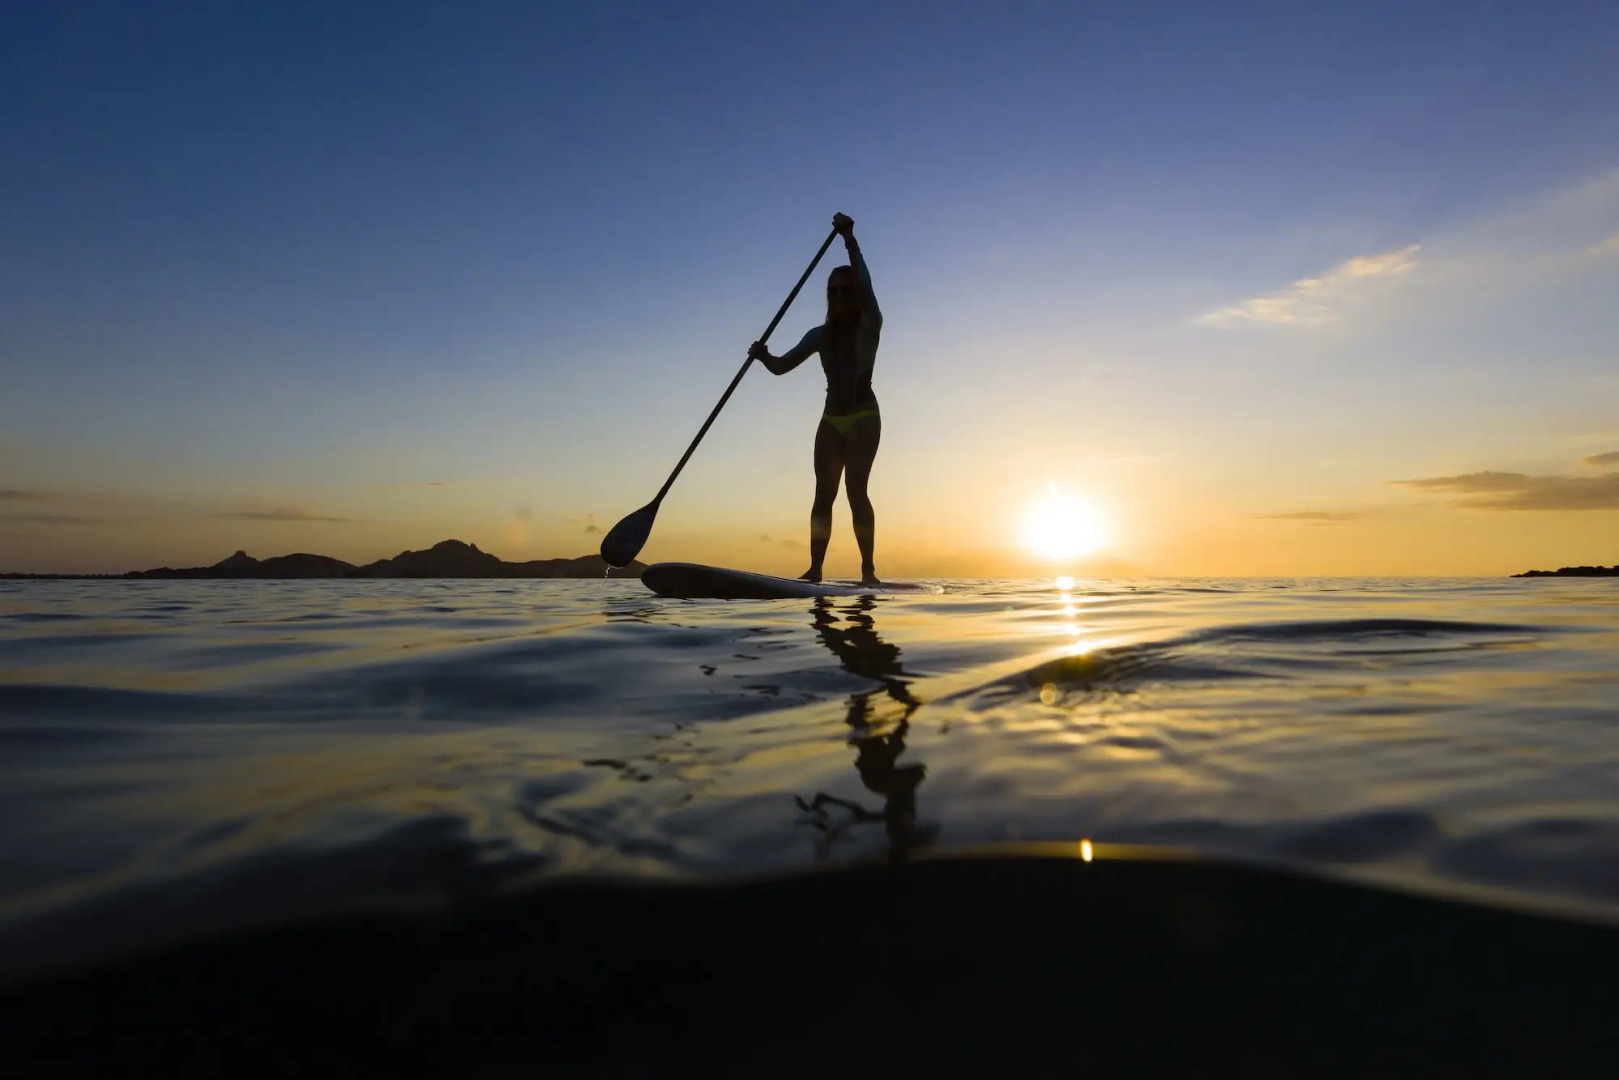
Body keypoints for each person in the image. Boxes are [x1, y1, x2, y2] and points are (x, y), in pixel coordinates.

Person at [748, 212, 884, 586]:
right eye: (833, 291)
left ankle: (868, 571)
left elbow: (868, 286)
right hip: (830, 419)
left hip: (863, 417)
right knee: (823, 494)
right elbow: (780, 368)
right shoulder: (818, 336)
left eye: (846, 290)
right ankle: (815, 570)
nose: (840, 296)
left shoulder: (869, 324)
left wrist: (850, 240)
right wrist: (763, 357)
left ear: (854, 294)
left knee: (856, 490)